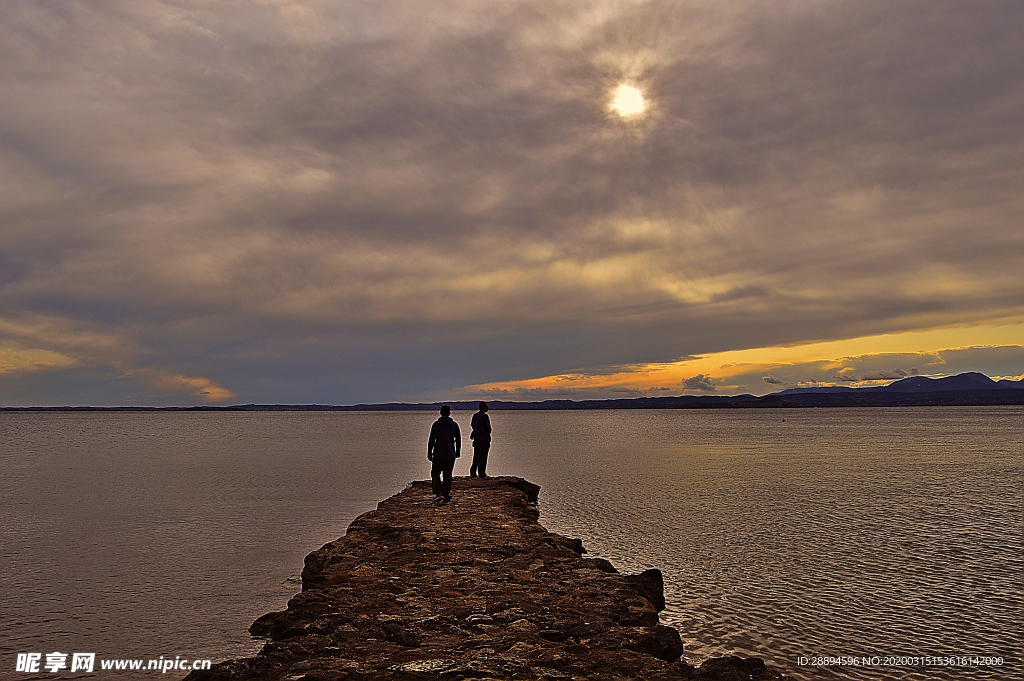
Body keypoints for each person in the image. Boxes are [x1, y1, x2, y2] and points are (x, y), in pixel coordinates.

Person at [427, 405, 461, 503]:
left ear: (440, 413)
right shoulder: (454, 425)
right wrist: (457, 452)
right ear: (449, 413)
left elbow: (432, 440)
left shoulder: (436, 425)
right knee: (447, 475)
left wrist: (429, 452)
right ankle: (445, 494)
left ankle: (439, 492)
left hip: (438, 453)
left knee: (435, 473)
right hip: (450, 454)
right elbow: (458, 440)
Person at [469, 401, 491, 479]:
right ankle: (481, 473)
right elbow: (488, 428)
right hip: (484, 439)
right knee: (483, 457)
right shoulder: (485, 416)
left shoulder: (475, 416)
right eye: (486, 406)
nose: (488, 408)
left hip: (477, 439)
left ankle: (473, 472)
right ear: (483, 407)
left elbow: (472, 425)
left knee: (476, 456)